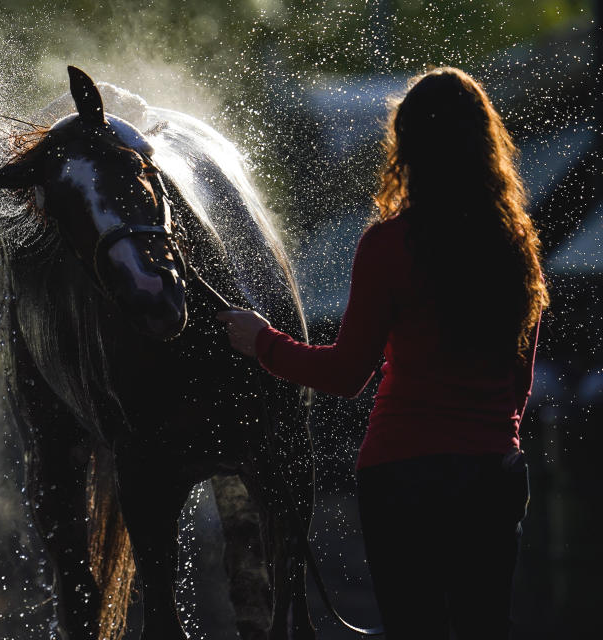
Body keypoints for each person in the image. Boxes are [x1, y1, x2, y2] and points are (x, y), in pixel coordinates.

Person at [217, 67, 548, 639]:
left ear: (407, 145)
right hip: (491, 472)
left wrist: (261, 342)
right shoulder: (514, 245)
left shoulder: (388, 244)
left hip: (404, 474)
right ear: (485, 143)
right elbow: (519, 377)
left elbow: (348, 375)